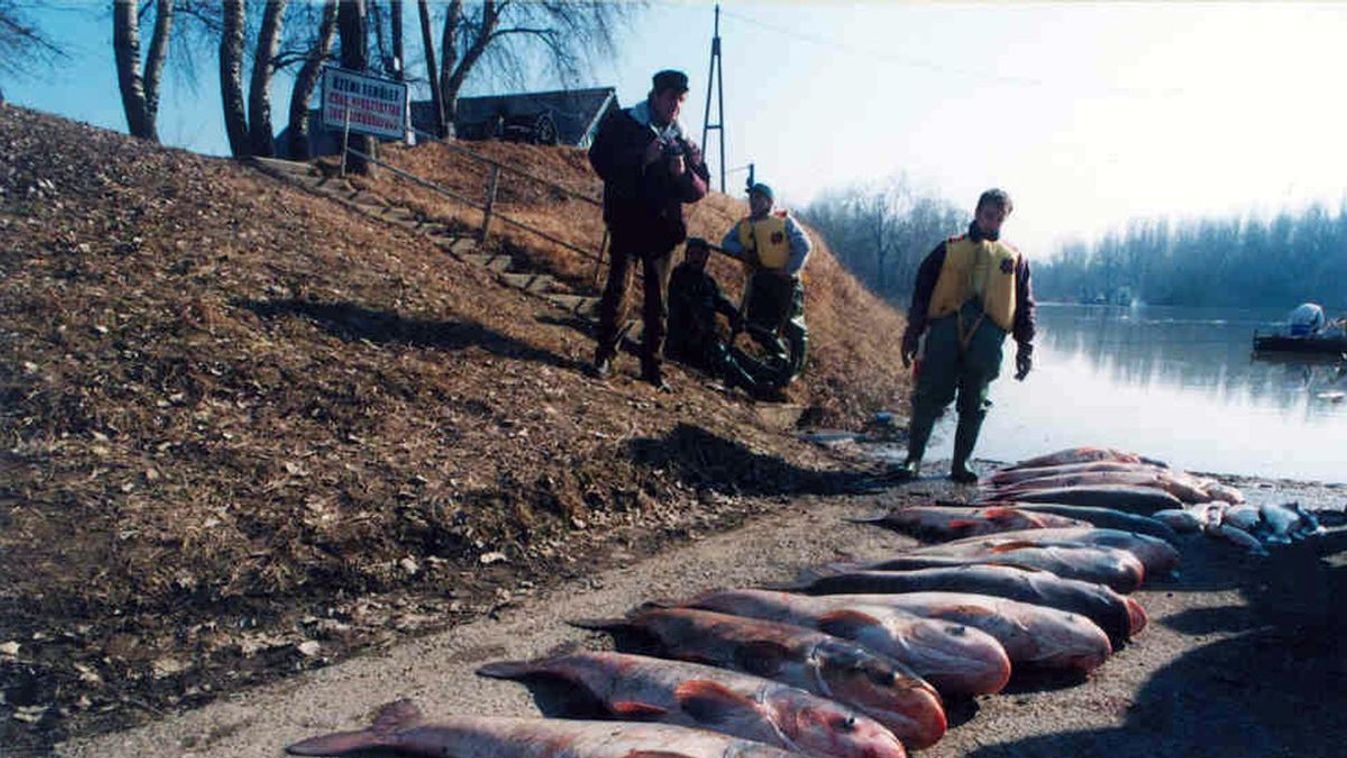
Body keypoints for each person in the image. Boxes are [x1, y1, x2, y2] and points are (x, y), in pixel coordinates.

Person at [891, 188, 1036, 484]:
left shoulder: (1015, 258)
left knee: (975, 401)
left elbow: (1024, 306)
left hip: (988, 336)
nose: (991, 221)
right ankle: (913, 459)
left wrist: (1025, 347)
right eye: (987, 215)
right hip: (945, 329)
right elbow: (922, 292)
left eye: (998, 217)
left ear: (1005, 219)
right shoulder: (948, 248)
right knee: (929, 394)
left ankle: (961, 463)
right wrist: (911, 332)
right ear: (976, 212)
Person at [588, 69, 711, 391]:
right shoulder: (623, 122)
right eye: (672, 98)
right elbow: (599, 159)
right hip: (627, 221)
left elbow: (700, 189)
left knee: (659, 303)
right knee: (618, 291)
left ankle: (652, 368)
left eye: (681, 100)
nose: (676, 106)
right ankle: (605, 357)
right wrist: (642, 157)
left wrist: (682, 174)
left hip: (664, 231)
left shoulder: (683, 139)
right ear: (655, 95)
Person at [718, 182, 812, 384]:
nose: (754, 202)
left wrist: (787, 270)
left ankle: (794, 371)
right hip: (760, 280)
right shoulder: (744, 225)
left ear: (769, 201)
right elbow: (727, 242)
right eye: (752, 198)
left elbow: (804, 246)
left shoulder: (783, 220)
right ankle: (779, 361)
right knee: (757, 325)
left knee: (792, 327)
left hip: (786, 283)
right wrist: (741, 252)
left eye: (759, 198)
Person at [665, 238, 778, 394]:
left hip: (706, 340)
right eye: (692, 254)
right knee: (723, 356)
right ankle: (755, 389)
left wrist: (734, 316)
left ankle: (773, 377)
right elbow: (692, 308)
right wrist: (706, 332)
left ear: (707, 258)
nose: (696, 258)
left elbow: (721, 301)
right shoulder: (680, 275)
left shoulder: (707, 280)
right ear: (686, 255)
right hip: (684, 341)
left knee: (735, 353)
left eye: (700, 255)